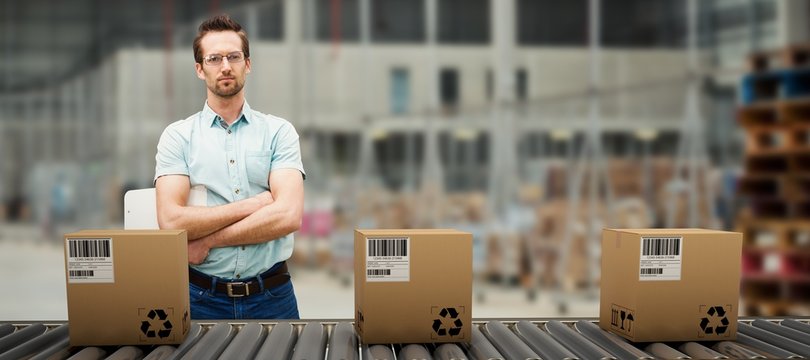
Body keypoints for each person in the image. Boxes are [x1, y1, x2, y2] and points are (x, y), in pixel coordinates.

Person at [154, 14, 305, 320]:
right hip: (200, 299)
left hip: (272, 296)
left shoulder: (279, 132)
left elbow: (288, 215)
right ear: (200, 69)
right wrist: (257, 204)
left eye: (234, 57)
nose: (225, 66)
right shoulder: (178, 137)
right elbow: (171, 220)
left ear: (247, 64)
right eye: (214, 59)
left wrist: (208, 239)